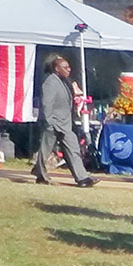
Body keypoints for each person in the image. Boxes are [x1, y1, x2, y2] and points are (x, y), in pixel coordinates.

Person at [32, 53, 96, 187]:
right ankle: (40, 172)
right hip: (53, 123)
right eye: (65, 67)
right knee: (45, 151)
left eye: (69, 67)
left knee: (73, 149)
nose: (69, 69)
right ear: (56, 68)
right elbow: (46, 103)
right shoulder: (50, 82)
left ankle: (82, 178)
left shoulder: (63, 81)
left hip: (65, 124)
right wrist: (49, 122)